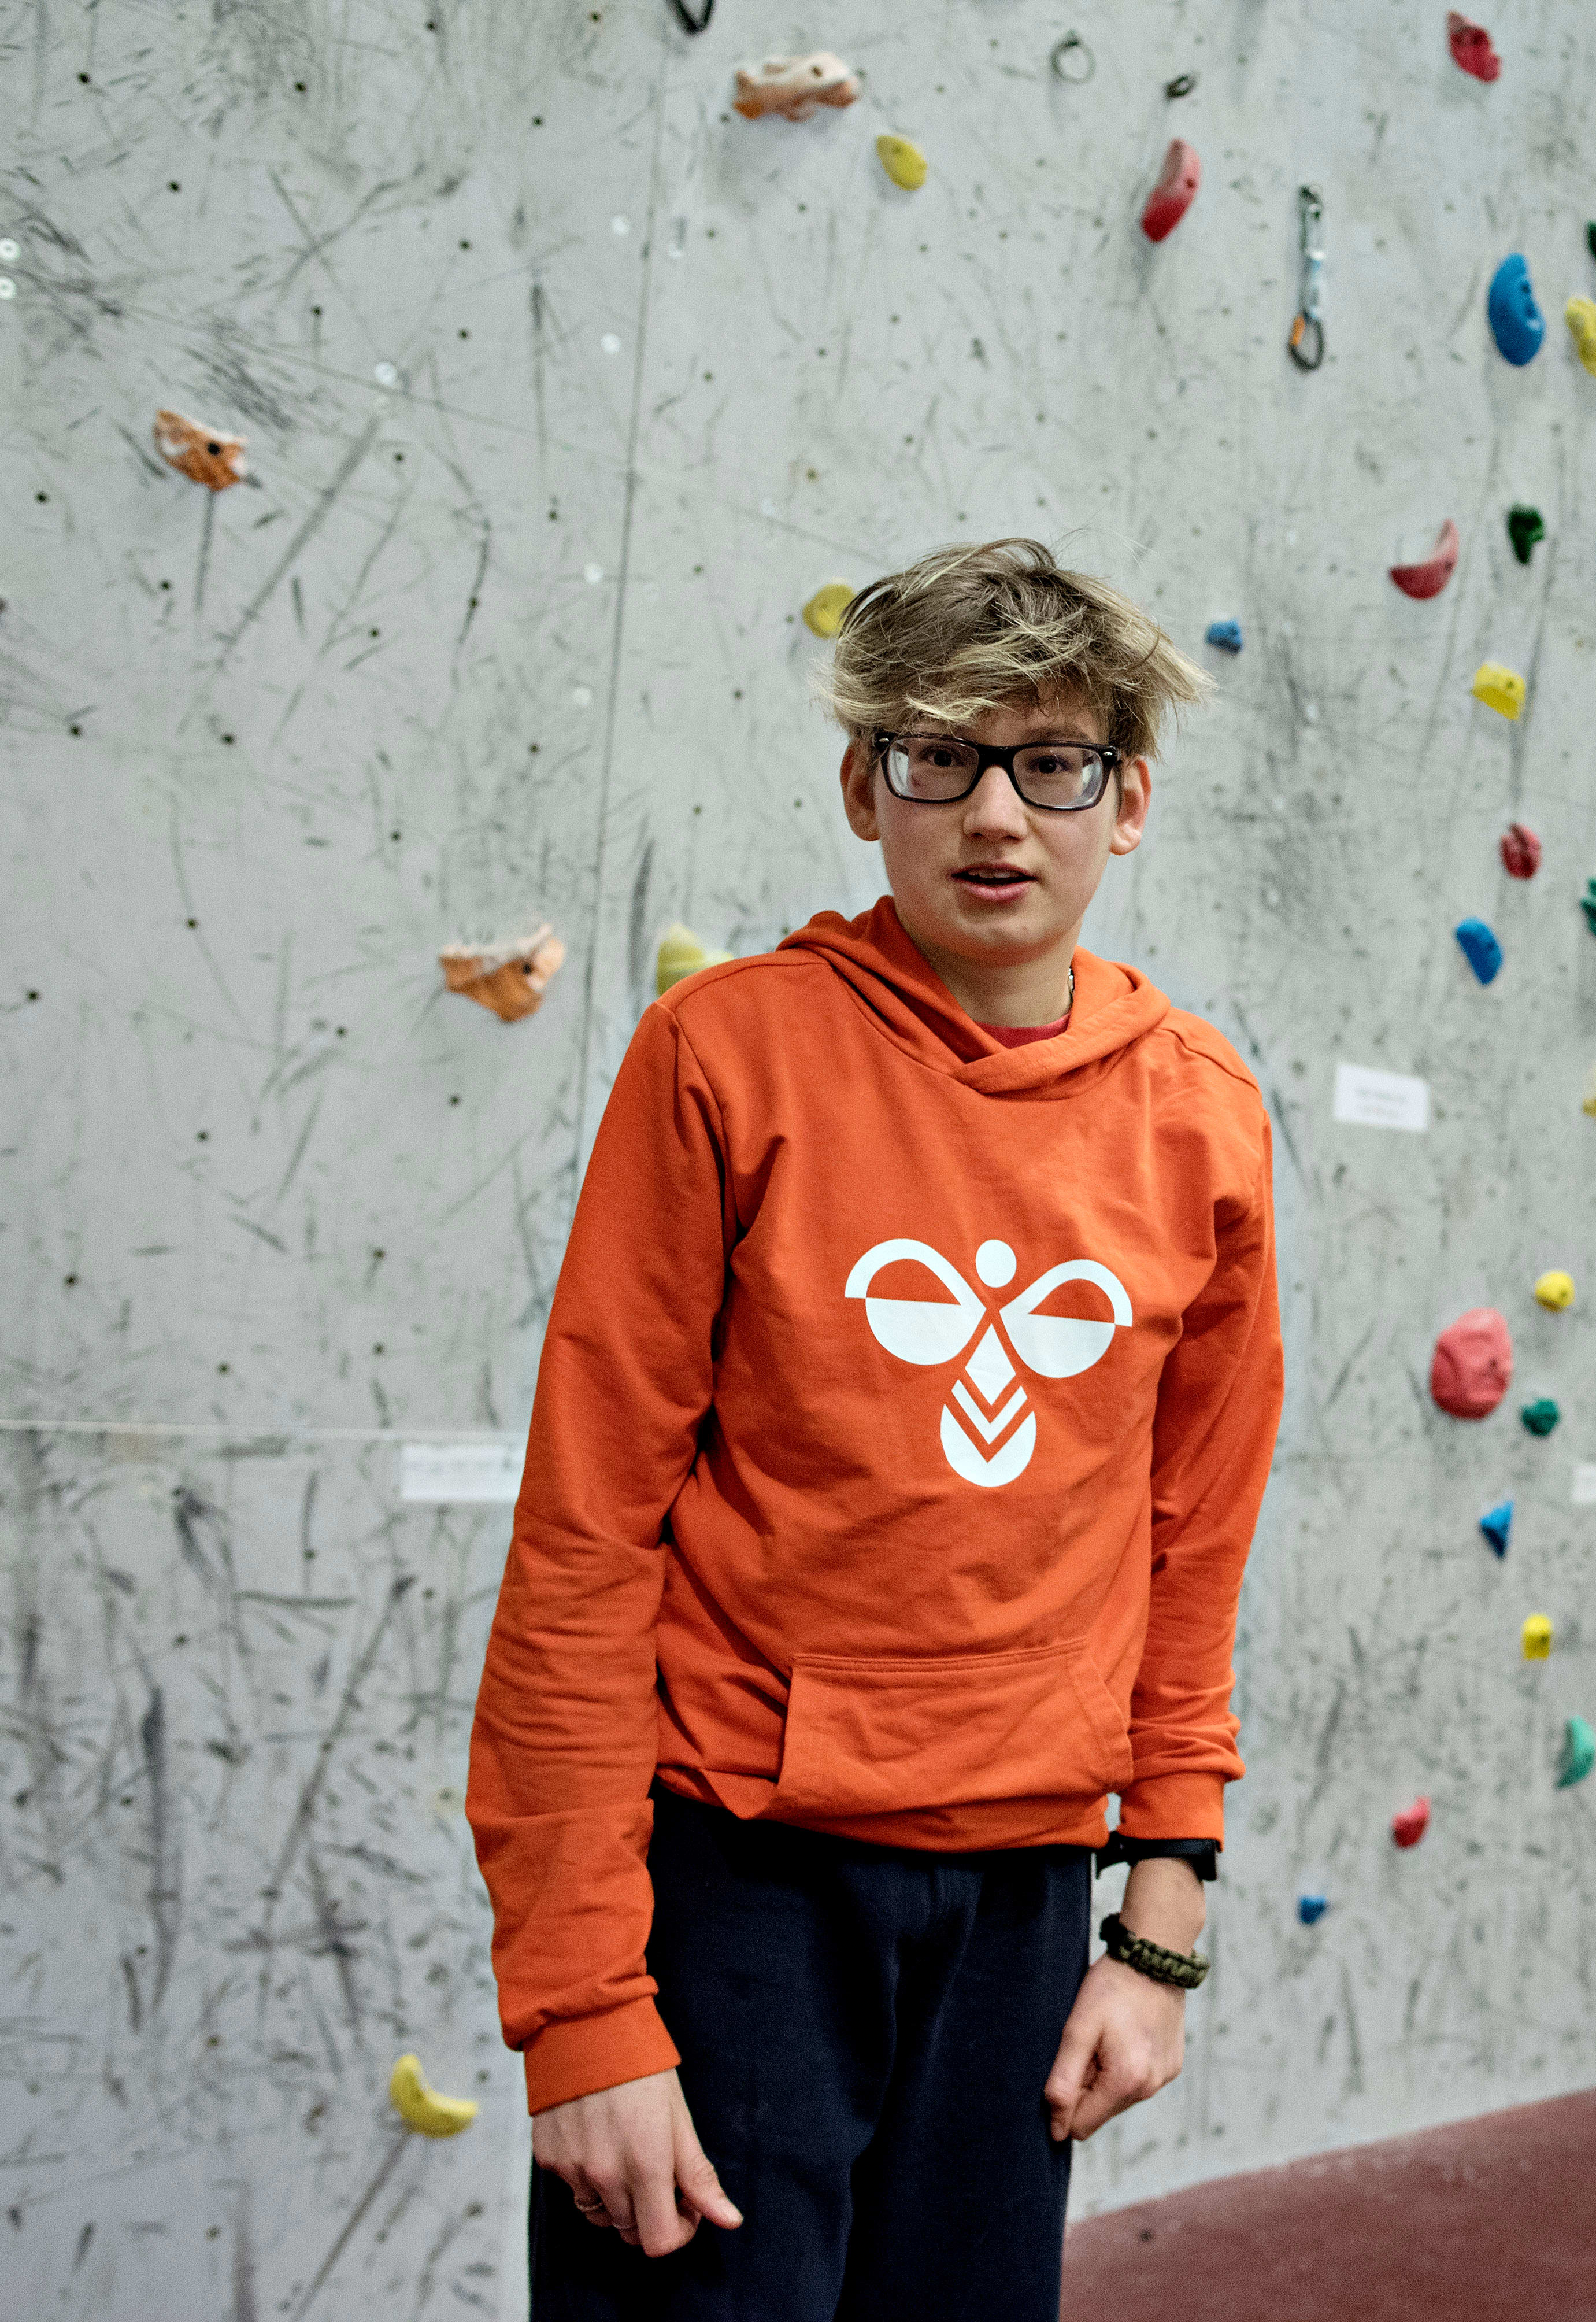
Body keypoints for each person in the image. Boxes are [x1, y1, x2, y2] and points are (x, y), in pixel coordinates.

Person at [466, 538, 1283, 2320]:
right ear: (865, 787)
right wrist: (583, 2008)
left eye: (1051, 763)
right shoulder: (723, 1059)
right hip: (737, 1886)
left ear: (1129, 800)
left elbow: (1193, 1545)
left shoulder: (1204, 1117)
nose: (995, 813)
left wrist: (1159, 1920)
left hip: (1022, 1911)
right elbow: (585, 1544)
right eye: (939, 756)